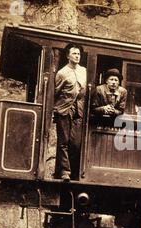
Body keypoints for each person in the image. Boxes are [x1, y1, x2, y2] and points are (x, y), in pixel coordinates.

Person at [53, 43, 87, 181]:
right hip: (64, 110)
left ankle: (74, 171)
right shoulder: (61, 73)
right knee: (63, 142)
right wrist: (56, 109)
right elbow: (56, 92)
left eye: (78, 54)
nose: (77, 56)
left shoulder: (84, 71)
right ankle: (65, 172)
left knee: (76, 143)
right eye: (74, 53)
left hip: (79, 110)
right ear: (68, 56)